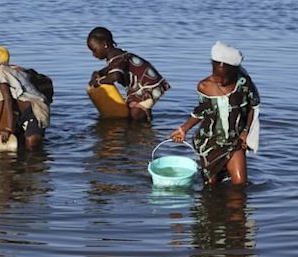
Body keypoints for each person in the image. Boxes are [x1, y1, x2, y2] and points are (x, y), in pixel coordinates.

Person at [170, 41, 260, 186]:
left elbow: (252, 107)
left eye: (223, 77)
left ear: (234, 72)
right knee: (211, 185)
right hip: (209, 143)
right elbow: (201, 111)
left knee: (240, 185)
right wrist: (183, 129)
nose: (218, 80)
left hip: (234, 141)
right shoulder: (204, 86)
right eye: (215, 75)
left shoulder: (244, 84)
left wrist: (245, 132)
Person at [0, 49, 50, 150]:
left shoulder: (1, 75)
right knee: (18, 141)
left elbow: (8, 101)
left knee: (32, 143)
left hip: (34, 110)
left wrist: (9, 128)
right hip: (20, 112)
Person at [87, 26, 170, 121]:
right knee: (130, 108)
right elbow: (111, 69)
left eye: (94, 50)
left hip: (148, 86)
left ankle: (145, 119)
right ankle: (144, 119)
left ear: (104, 45)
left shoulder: (117, 57)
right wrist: (99, 73)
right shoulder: (115, 56)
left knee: (134, 114)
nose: (93, 55)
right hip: (140, 87)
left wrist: (98, 82)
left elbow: (115, 76)